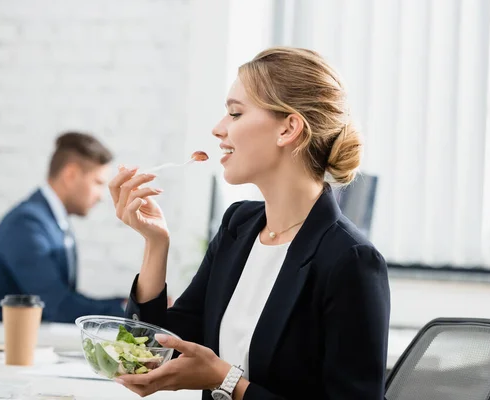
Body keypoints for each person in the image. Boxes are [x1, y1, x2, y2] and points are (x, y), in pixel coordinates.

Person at [110, 47, 390, 399]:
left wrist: (229, 383)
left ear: (288, 128)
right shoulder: (238, 226)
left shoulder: (350, 260)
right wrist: (155, 244)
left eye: (235, 113)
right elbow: (155, 347)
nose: (218, 128)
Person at [0, 132, 126, 323]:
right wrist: (128, 314)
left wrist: (124, 303)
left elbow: (64, 298)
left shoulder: (53, 222)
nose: (101, 196)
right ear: (70, 175)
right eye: (98, 183)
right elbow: (57, 306)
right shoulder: (27, 224)